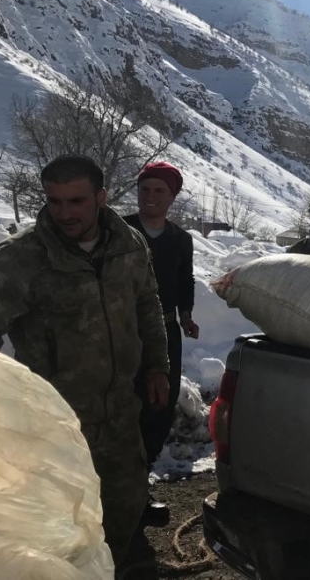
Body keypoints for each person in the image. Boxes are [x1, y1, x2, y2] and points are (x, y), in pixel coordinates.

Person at [0, 155, 170, 567]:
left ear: (101, 198)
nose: (64, 213)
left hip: (120, 415)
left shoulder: (129, 245)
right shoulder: (19, 261)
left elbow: (147, 304)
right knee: (63, 532)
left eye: (76, 201)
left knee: (124, 510)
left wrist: (158, 365)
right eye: (55, 201)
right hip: (53, 426)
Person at [124, 161, 199, 523]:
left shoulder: (180, 240)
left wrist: (186, 316)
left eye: (159, 191)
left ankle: (139, 491)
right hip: (120, 332)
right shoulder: (119, 230)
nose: (150, 197)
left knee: (160, 405)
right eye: (145, 189)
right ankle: (109, 492)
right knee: (121, 405)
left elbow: (185, 281)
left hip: (166, 334)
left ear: (172, 197)